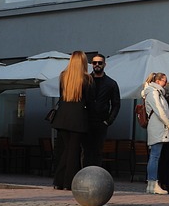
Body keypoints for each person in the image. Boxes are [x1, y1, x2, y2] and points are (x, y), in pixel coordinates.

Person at [51, 51, 94, 190]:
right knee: (74, 151)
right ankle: (68, 182)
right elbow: (90, 100)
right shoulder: (87, 79)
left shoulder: (64, 76)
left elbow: (61, 95)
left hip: (63, 118)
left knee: (67, 149)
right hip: (78, 118)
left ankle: (59, 180)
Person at [142, 72, 169, 195]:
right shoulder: (153, 92)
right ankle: (152, 184)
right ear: (158, 81)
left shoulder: (158, 93)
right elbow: (159, 112)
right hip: (157, 128)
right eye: (164, 81)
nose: (165, 83)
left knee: (156, 156)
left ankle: (152, 184)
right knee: (155, 156)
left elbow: (163, 112)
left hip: (159, 127)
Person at [83, 51, 120, 169]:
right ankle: (85, 175)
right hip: (86, 121)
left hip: (101, 122)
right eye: (94, 63)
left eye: (99, 62)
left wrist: (108, 121)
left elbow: (116, 104)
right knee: (86, 150)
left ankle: (96, 176)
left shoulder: (111, 83)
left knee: (98, 150)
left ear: (104, 64)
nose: (97, 64)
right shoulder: (85, 81)